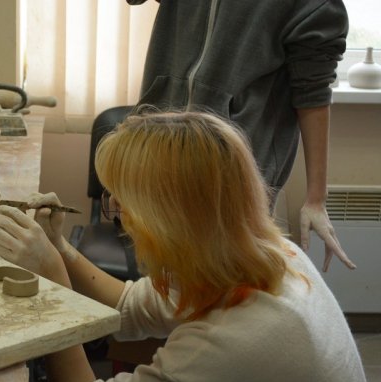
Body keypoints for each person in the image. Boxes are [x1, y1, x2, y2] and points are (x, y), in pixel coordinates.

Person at [0, 111, 374, 382]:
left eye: (123, 206)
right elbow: (128, 307)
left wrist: (49, 288)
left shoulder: (237, 343)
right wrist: (59, 247)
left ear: (166, 222)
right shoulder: (271, 254)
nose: (120, 218)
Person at [127, 0, 355, 272]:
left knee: (226, 281)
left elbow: (312, 91)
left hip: (235, 172)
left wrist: (316, 197)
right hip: (160, 150)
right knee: (160, 277)